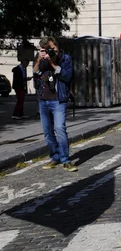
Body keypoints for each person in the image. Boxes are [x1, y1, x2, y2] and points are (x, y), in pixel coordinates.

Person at [33, 37, 77, 172]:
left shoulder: (66, 59)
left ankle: (65, 159)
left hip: (58, 99)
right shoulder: (41, 58)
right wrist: (39, 60)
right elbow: (35, 73)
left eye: (52, 48)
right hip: (43, 99)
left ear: (56, 46)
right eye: (47, 50)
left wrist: (52, 63)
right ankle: (55, 157)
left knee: (60, 129)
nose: (51, 51)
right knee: (47, 132)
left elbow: (67, 76)